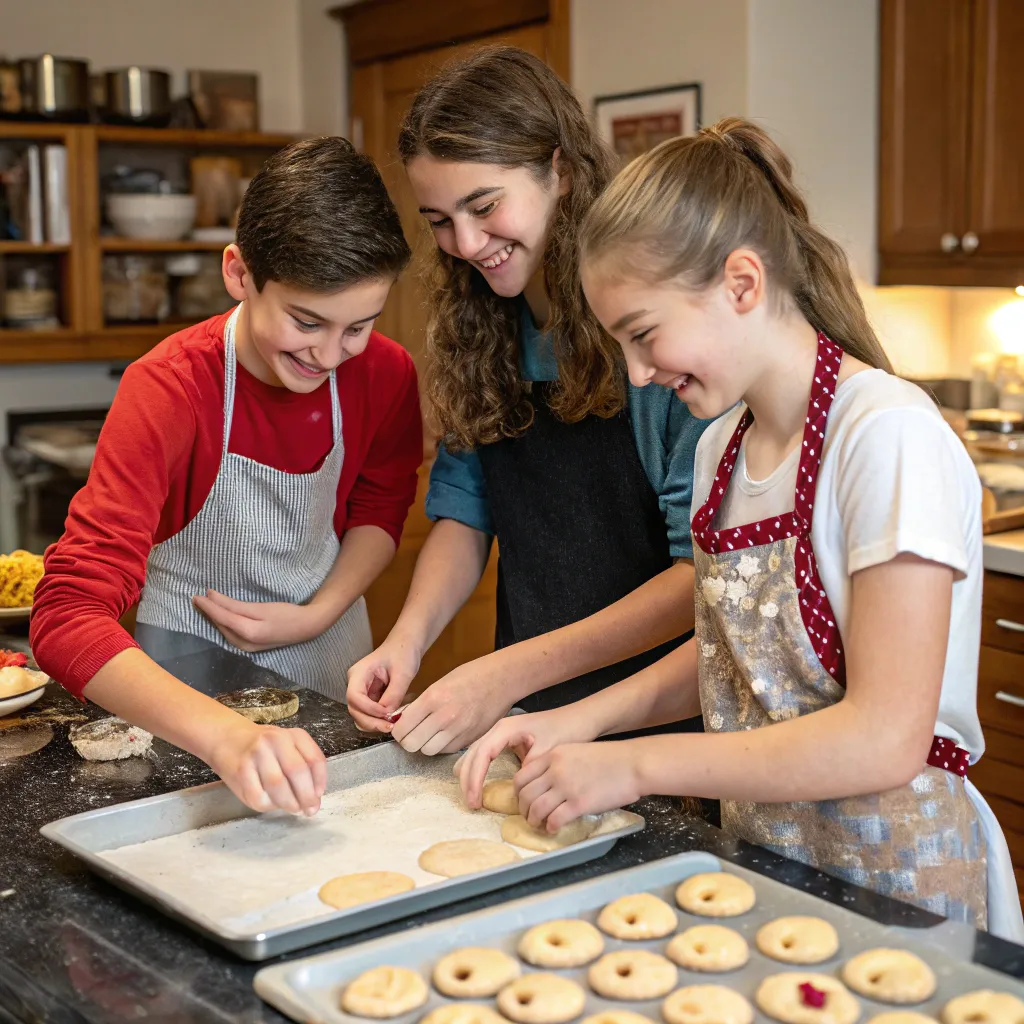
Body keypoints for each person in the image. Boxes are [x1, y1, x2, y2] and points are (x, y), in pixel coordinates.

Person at [457, 118, 1024, 940]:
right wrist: (576, 721)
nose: (641, 373)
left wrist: (636, 762)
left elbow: (884, 737)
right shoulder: (726, 446)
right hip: (767, 865)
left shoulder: (886, 437)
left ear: (743, 283)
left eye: (644, 334)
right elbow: (735, 658)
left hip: (896, 887)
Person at [31, 137, 422, 816]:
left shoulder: (386, 373)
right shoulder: (169, 389)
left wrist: (316, 612)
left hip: (332, 653)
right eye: (306, 321)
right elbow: (66, 615)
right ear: (239, 273)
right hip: (189, 675)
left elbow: (380, 508)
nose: (331, 355)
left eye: (358, 326)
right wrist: (225, 737)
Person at [346, 46, 712, 759]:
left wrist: (502, 673)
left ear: (562, 171)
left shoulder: (649, 339)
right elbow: (465, 510)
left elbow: (697, 576)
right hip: (528, 718)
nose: (467, 244)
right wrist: (408, 641)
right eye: (440, 221)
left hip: (660, 726)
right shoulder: (486, 330)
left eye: (484, 206)